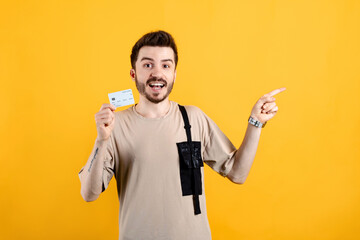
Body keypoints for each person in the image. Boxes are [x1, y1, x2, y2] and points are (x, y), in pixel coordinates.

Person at [78, 30, 285, 240]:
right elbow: (89, 193)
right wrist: (101, 140)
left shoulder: (194, 119)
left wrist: (256, 122)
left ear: (174, 73)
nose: (157, 73)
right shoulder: (116, 125)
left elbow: (237, 174)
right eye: (148, 65)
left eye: (166, 65)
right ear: (134, 73)